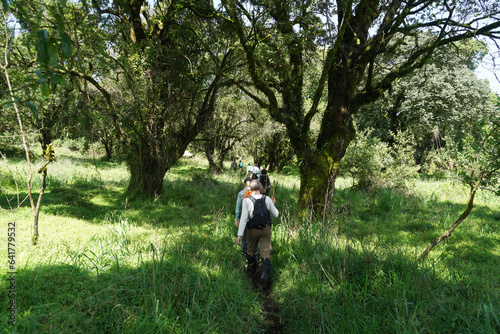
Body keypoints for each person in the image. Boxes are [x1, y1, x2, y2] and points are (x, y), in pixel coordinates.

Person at [236, 180, 279, 289]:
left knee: (250, 251)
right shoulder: (267, 199)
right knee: (266, 253)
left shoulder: (246, 201)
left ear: (250, 189)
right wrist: (272, 205)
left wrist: (239, 235)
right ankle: (264, 280)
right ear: (260, 188)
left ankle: (251, 275)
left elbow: (244, 219)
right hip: (265, 230)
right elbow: (276, 215)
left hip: (252, 231)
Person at [234, 177, 251, 256]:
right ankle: (255, 257)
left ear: (244, 184)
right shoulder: (254, 193)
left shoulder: (241, 193)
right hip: (253, 218)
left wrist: (236, 218)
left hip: (243, 217)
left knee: (244, 238)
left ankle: (245, 255)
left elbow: (238, 206)